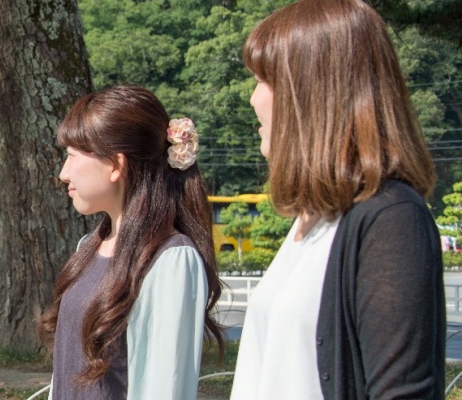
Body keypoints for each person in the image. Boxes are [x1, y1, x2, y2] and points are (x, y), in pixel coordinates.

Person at [230, 1, 445, 398]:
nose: (253, 100)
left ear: (312, 93)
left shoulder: (389, 219)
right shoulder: (311, 219)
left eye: (264, 80)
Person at [38, 85, 226, 399]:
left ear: (115, 164)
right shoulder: (88, 247)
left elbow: (166, 387)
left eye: (71, 157)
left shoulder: (171, 260)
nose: (63, 173)